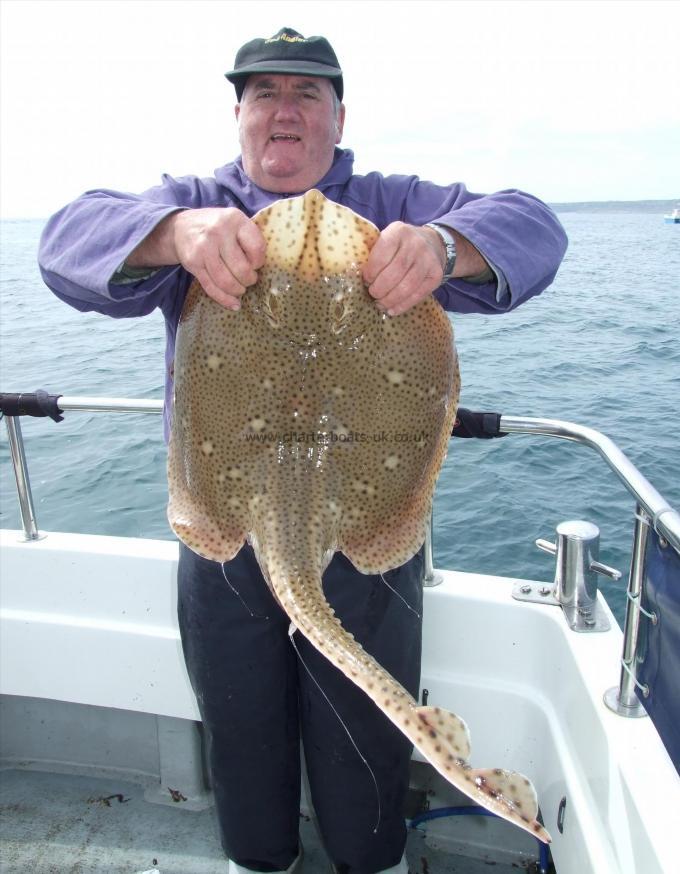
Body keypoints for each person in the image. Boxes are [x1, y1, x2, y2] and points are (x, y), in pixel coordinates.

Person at [38, 27, 568, 874]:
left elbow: (535, 226)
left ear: (338, 115)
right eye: (264, 94)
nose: (284, 109)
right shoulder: (198, 199)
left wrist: (441, 247)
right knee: (241, 739)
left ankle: (367, 854)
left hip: (363, 534)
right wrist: (174, 234)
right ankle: (261, 855)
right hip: (227, 528)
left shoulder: (396, 204)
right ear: (240, 116)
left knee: (363, 761)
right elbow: (64, 241)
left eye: (306, 93)